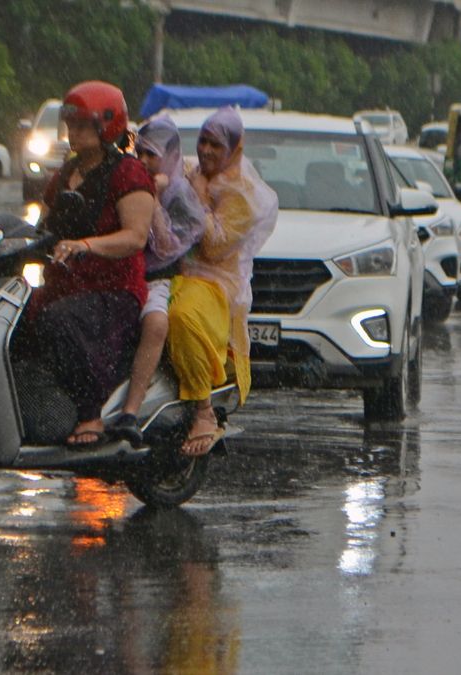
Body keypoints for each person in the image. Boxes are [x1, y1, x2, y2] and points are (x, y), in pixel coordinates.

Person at [32, 81, 153, 448]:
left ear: (107, 128)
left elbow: (135, 237)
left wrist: (86, 245)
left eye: (83, 125)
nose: (74, 132)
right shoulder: (65, 173)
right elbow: (43, 226)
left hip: (113, 290)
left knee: (59, 320)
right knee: (20, 320)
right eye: (71, 124)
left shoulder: (128, 174)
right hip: (66, 284)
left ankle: (90, 413)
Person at [168, 107, 278, 456]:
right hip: (174, 270)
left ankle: (203, 411)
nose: (206, 151)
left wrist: (198, 195)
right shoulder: (188, 170)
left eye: (216, 145)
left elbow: (214, 247)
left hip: (215, 281)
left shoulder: (243, 196)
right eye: (202, 141)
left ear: (233, 149)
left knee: (181, 316)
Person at [108, 115, 206, 445]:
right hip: (119, 271)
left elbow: (166, 246)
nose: (146, 162)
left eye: (154, 155)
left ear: (171, 156)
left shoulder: (180, 195)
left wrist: (151, 198)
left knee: (155, 325)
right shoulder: (125, 179)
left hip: (156, 279)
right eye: (142, 154)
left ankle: (130, 412)